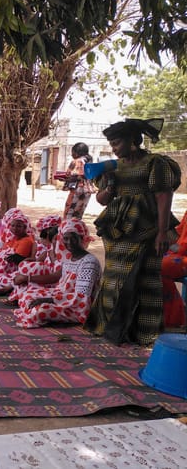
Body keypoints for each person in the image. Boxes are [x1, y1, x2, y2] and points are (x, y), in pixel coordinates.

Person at [84, 118, 182, 346]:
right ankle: (109, 328)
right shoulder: (112, 168)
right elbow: (102, 200)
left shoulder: (154, 163)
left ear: (132, 141)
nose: (114, 149)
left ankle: (142, 332)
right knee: (113, 278)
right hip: (118, 231)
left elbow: (164, 196)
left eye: (117, 143)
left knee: (145, 280)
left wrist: (161, 232)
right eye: (112, 144)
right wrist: (108, 186)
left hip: (147, 229)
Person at [12, 219, 101, 328]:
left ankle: (64, 317)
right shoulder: (69, 258)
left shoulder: (89, 262)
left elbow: (81, 297)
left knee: (40, 310)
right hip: (60, 297)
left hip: (76, 307)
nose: (69, 242)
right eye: (66, 239)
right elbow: (58, 281)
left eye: (73, 238)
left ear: (82, 238)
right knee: (27, 295)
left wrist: (50, 300)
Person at [160, 210, 187, 327]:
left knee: (159, 266)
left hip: (183, 255)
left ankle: (174, 317)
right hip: (179, 253)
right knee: (148, 260)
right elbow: (178, 233)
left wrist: (173, 247)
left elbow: (182, 247)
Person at [63, 142, 95, 219]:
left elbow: (69, 175)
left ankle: (68, 229)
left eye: (72, 152)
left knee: (69, 215)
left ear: (77, 153)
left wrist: (64, 178)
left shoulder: (76, 161)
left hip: (77, 190)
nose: (71, 154)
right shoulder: (89, 161)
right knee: (78, 215)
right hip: (87, 191)